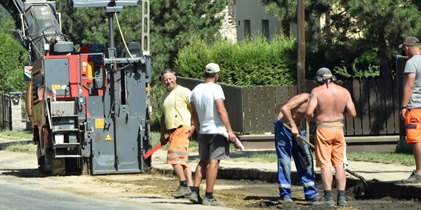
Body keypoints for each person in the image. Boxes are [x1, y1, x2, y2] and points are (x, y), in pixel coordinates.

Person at [305, 67, 356, 207]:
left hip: (323, 128)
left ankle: (328, 197)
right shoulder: (344, 92)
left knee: (325, 164)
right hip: (338, 128)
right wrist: (339, 114)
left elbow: (309, 112)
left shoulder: (317, 92)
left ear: (320, 79)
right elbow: (352, 112)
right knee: (339, 163)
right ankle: (342, 198)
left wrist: (312, 120)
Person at [189, 63, 238, 206]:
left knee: (202, 161)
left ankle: (194, 191)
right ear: (217, 75)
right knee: (213, 162)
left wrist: (198, 130)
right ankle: (209, 196)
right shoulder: (216, 88)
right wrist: (229, 131)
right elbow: (221, 110)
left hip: (203, 131)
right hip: (216, 131)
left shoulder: (195, 90)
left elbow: (194, 114)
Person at [274, 93, 318, 203]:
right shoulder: (305, 97)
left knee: (306, 158)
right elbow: (284, 108)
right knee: (285, 161)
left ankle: (311, 193)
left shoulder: (318, 105)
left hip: (296, 129)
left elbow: (312, 122)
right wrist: (293, 126)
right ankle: (285, 194)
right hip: (283, 127)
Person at [159, 69, 195, 198]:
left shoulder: (184, 92)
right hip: (171, 132)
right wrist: (162, 134)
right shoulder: (164, 96)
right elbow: (163, 117)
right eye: (165, 80)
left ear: (175, 77)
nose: (168, 81)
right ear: (163, 82)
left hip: (182, 129)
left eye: (170, 78)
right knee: (182, 161)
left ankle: (183, 185)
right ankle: (191, 188)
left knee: (173, 157)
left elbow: (195, 109)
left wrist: (194, 126)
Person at [399, 36, 421, 183]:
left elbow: (409, 85)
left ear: (407, 48)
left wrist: (403, 106)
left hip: (415, 106)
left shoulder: (411, 63)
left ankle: (419, 172)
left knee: (417, 139)